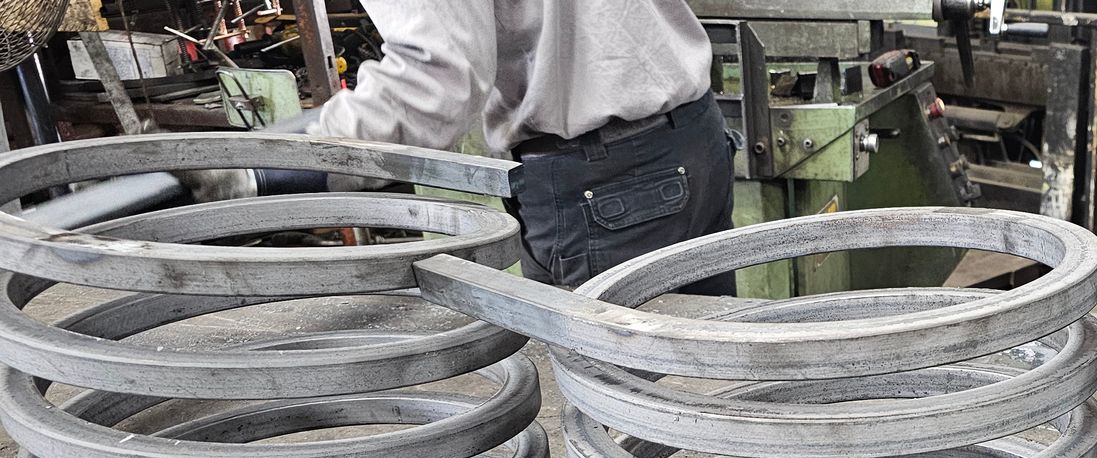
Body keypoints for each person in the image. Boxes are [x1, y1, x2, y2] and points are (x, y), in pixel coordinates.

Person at [197, 1, 735, 292]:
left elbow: (435, 84)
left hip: (607, 181)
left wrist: (276, 171)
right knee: (699, 381)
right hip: (689, 135)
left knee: (629, 413)